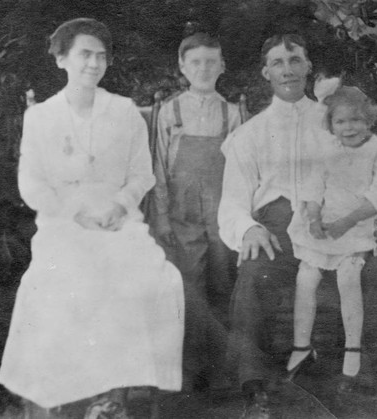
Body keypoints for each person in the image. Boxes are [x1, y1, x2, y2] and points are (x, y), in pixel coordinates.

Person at [0, 18, 184, 418]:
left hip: (120, 223)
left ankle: (111, 397)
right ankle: (72, 393)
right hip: (64, 224)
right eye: (85, 54)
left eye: (101, 56)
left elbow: (142, 174)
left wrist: (119, 205)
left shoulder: (124, 112)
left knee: (146, 278)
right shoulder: (42, 118)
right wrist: (76, 213)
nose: (94, 64)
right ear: (62, 58)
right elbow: (32, 185)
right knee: (71, 279)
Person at [218, 34, 377, 419]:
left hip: (349, 225)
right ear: (265, 73)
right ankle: (259, 395)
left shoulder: (341, 116)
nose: (287, 69)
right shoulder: (249, 134)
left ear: (308, 67)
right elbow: (232, 203)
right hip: (278, 229)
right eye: (277, 62)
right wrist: (248, 229)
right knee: (255, 275)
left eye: (295, 59)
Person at [285, 86, 377, 387]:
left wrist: (346, 222)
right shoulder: (328, 150)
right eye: (340, 122)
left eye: (355, 120)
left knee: (348, 275)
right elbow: (314, 187)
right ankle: (301, 347)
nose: (348, 128)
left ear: (368, 120)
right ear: (331, 124)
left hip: (360, 224)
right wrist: (314, 217)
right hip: (327, 226)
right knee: (306, 276)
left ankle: (352, 349)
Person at [153, 32, 241, 391]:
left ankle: (219, 372)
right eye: (195, 62)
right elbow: (158, 167)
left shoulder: (231, 113)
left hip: (222, 215)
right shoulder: (170, 111)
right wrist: (160, 215)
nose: (203, 69)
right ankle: (187, 372)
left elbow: (239, 170)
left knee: (222, 283)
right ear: (182, 67)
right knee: (187, 286)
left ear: (222, 66)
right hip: (182, 214)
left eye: (210, 62)